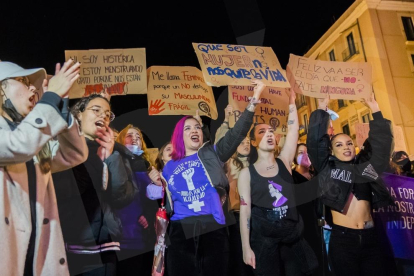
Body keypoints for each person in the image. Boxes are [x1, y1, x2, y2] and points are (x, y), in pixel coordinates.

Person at [161, 80, 266, 276]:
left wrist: (254, 101)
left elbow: (236, 134)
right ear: (179, 136)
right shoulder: (168, 167)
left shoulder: (213, 154)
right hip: (180, 231)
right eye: (188, 128)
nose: (195, 130)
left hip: (213, 229)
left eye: (198, 127)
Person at [0, 59, 88, 276]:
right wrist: (49, 99)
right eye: (22, 80)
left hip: (34, 257)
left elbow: (73, 154)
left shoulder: (30, 137)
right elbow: (20, 145)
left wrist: (61, 107)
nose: (32, 87)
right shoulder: (21, 139)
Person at [306, 94, 395, 276]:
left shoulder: (364, 166)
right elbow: (315, 143)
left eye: (349, 143)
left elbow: (381, 144)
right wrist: (322, 110)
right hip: (344, 241)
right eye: (339, 145)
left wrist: (375, 109)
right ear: (331, 150)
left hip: (372, 239)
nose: (346, 147)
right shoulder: (326, 167)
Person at [53, 94, 137, 276]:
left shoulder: (117, 152)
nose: (103, 117)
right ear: (79, 115)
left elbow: (122, 198)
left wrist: (112, 156)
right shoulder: (62, 148)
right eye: (96, 110)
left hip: (104, 249)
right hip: (66, 248)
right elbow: (66, 190)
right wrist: (98, 163)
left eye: (107, 114)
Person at [238, 89, 318, 276]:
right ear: (254, 142)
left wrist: (291, 102)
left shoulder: (284, 162)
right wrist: (245, 247)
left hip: (293, 239)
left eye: (272, 131)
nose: (269, 134)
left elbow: (292, 131)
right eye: (262, 131)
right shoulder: (246, 174)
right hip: (265, 242)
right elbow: (245, 212)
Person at [115, 124, 160, 276]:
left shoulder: (148, 167)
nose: (135, 139)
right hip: (120, 234)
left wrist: (148, 213)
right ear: (120, 140)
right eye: (129, 135)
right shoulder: (115, 163)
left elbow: (152, 199)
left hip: (140, 235)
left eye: (138, 137)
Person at [214, 104, 254, 276]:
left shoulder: (255, 164)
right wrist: (225, 121)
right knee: (239, 254)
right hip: (236, 215)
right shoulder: (229, 163)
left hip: (255, 215)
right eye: (241, 142)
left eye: (247, 142)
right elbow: (220, 145)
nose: (245, 145)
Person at [292, 143, 326, 276]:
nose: (305, 155)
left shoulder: (316, 176)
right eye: (300, 153)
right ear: (294, 157)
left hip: (320, 227)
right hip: (304, 228)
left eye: (307, 152)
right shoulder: (292, 178)